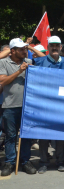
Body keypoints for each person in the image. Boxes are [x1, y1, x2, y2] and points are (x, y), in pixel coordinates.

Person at [34, 36, 64, 174]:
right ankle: (43, 162)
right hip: (44, 105)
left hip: (61, 105)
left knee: (60, 136)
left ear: (61, 47)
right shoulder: (38, 62)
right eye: (52, 45)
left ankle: (60, 162)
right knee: (44, 136)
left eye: (57, 45)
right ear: (48, 47)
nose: (55, 48)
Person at [0, 38, 37, 176]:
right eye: (21, 49)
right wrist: (19, 71)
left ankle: (25, 161)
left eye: (25, 49)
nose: (24, 51)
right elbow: (2, 80)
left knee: (26, 136)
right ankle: (10, 162)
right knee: (10, 136)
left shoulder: (28, 62)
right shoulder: (3, 63)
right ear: (13, 51)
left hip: (27, 106)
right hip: (10, 106)